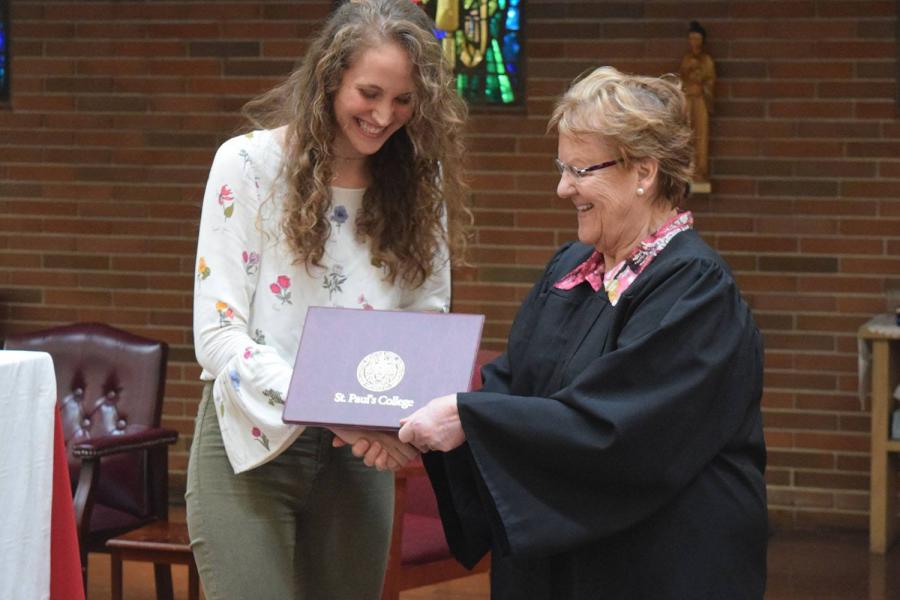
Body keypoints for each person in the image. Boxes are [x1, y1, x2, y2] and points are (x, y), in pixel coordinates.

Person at [399, 66, 767, 599]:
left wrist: (466, 418)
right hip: (559, 566)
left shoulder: (697, 291)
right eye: (561, 168)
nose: (562, 188)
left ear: (644, 171)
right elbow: (512, 384)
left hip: (658, 566)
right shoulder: (571, 270)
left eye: (579, 170)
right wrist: (411, 415)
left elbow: (620, 430)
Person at [186, 1, 470, 598]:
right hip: (250, 443)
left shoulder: (421, 180)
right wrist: (330, 404)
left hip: (359, 452)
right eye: (369, 93)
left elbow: (427, 318)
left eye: (404, 100)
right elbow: (217, 338)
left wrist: (392, 415)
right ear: (329, 78)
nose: (384, 116)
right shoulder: (247, 164)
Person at [679, 20, 716, 182]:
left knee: (701, 134)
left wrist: (702, 83)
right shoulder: (686, 59)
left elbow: (710, 81)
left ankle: (700, 170)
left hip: (700, 100)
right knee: (687, 133)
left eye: (697, 38)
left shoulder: (707, 60)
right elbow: (681, 78)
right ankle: (688, 169)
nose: (694, 42)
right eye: (692, 38)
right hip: (688, 99)